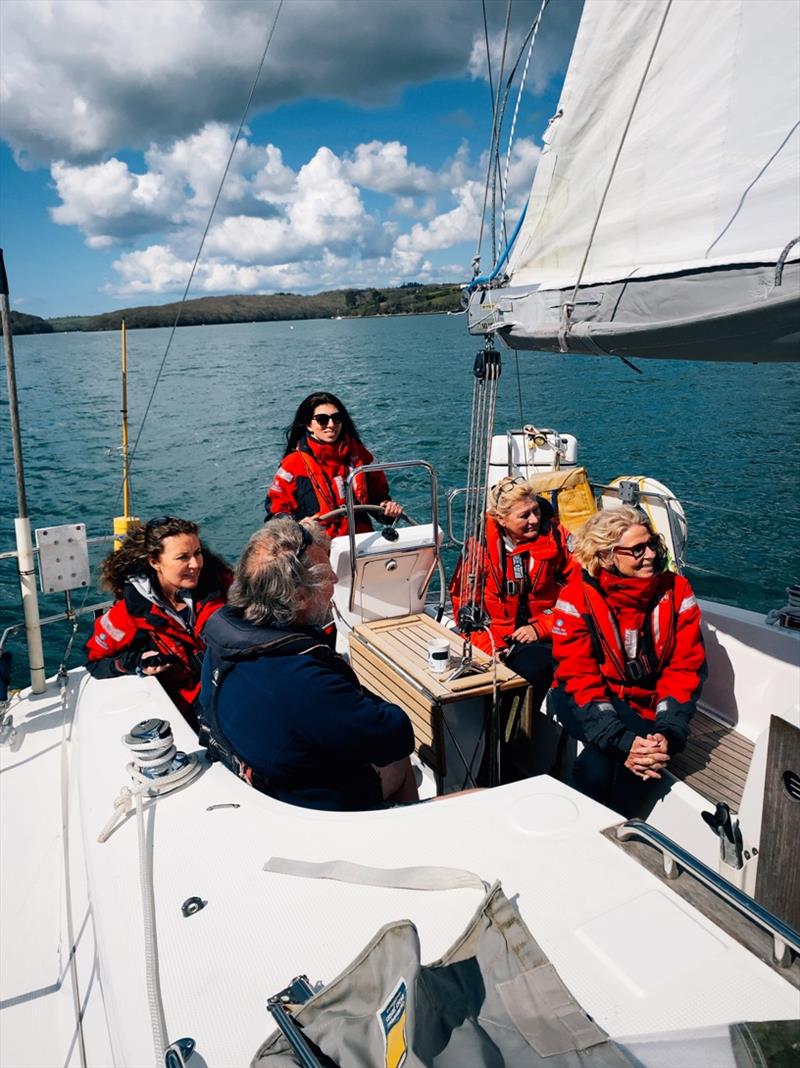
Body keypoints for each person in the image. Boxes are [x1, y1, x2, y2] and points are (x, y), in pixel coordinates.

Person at [198, 517, 418, 811]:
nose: (336, 582)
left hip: (266, 787)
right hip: (320, 812)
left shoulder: (224, 641)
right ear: (299, 597)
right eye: (327, 576)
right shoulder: (301, 679)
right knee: (407, 764)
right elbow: (396, 735)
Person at [550, 506, 705, 816]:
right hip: (582, 702)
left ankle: (610, 834)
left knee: (603, 765)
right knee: (619, 764)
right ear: (607, 556)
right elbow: (578, 679)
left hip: (644, 704)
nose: (650, 555)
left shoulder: (676, 591)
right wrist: (621, 739)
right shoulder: (575, 598)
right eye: (637, 550)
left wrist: (669, 731)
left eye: (652, 544)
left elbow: (684, 668)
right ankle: (609, 832)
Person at [86, 516, 231, 730]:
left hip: (232, 685)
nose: (196, 564)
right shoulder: (128, 612)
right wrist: (137, 661)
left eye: (198, 553)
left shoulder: (222, 585)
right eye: (183, 557)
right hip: (188, 706)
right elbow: (95, 661)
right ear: (155, 562)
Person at [449, 476, 577, 712]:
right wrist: (489, 650)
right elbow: (463, 605)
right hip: (497, 638)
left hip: (548, 630)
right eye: (524, 515)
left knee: (542, 664)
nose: (535, 520)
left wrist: (541, 627)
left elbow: (580, 593)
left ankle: (521, 738)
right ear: (501, 519)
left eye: (536, 510)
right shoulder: (480, 548)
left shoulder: (556, 536)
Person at [266, 391, 403, 537]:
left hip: (362, 543)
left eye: (336, 418)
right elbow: (275, 514)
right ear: (308, 425)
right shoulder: (292, 465)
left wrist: (388, 510)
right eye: (322, 419)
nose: (331, 425)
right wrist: (295, 525)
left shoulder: (361, 456)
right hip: (319, 548)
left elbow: (378, 498)